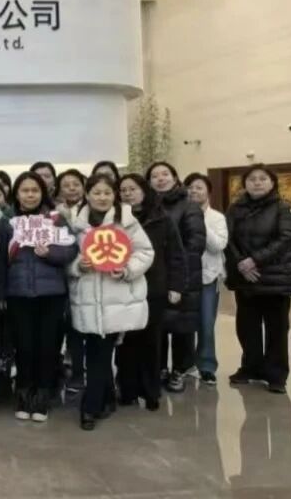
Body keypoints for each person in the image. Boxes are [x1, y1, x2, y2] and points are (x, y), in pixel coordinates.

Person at [68, 175, 154, 431]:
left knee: (99, 354)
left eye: (107, 192)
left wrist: (127, 269)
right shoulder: (76, 223)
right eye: (96, 192)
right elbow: (66, 258)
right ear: (87, 194)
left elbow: (145, 251)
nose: (102, 197)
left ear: (114, 194)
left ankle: (89, 407)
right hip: (87, 299)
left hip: (116, 299)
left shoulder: (126, 221)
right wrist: (78, 266)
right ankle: (107, 399)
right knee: (98, 353)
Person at [0, 172, 77, 422]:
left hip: (51, 294)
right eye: (25, 190)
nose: (30, 195)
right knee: (23, 346)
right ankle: (23, 393)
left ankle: (42, 396)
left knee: (48, 346)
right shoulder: (7, 222)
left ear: (43, 193)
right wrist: (1, 292)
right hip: (18, 293)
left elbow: (71, 250)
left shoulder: (56, 219)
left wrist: (49, 254)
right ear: (17, 193)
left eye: (35, 190)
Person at [116, 174, 186, 411]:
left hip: (154, 287)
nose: (128, 194)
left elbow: (176, 254)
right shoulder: (115, 220)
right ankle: (127, 390)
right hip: (122, 286)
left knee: (151, 341)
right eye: (123, 190)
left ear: (144, 191)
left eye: (133, 189)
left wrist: (176, 285)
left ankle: (151, 391)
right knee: (125, 342)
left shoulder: (161, 218)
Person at [225, 165, 291, 394]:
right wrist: (240, 263)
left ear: (272, 183)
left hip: (275, 277)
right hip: (245, 278)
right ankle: (251, 368)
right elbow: (228, 239)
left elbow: (285, 238)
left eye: (262, 178)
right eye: (252, 179)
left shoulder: (282, 207)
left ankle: (276, 375)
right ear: (244, 184)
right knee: (247, 327)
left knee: (277, 329)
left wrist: (255, 260)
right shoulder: (235, 208)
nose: (257, 182)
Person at [147, 162, 206, 393]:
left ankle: (180, 370)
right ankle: (159, 368)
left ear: (175, 178)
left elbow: (196, 243)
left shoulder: (189, 206)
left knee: (183, 327)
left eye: (165, 174)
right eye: (154, 176)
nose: (160, 179)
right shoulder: (147, 206)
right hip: (154, 276)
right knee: (157, 327)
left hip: (183, 275)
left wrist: (178, 275)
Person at [184, 173, 228, 386]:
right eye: (190, 187)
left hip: (208, 277)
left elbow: (218, 245)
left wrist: (199, 218)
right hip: (184, 276)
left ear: (208, 192)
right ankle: (185, 364)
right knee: (183, 323)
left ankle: (207, 366)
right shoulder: (181, 214)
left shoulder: (217, 217)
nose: (194, 191)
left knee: (206, 323)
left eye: (199, 187)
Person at [53, 169, 87, 393]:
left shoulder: (93, 210)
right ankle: (70, 370)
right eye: (66, 185)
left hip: (87, 274)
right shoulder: (54, 214)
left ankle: (83, 372)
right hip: (60, 276)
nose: (72, 188)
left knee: (83, 327)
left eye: (76, 184)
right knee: (66, 326)